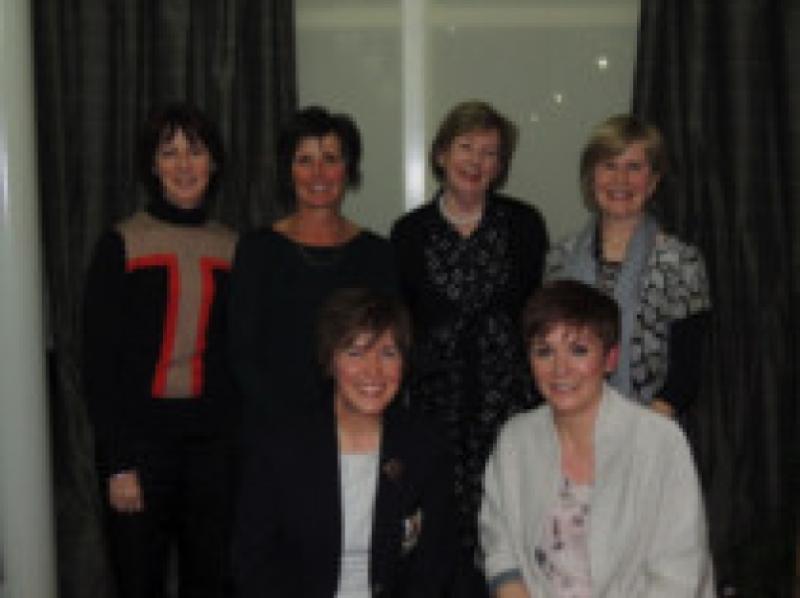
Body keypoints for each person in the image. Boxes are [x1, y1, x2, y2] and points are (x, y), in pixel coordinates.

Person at [390, 100, 548, 590]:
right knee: (440, 544)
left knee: (514, 537)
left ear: (501, 167)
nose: (476, 161)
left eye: (491, 153)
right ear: (441, 154)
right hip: (436, 415)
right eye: (465, 147)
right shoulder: (408, 233)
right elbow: (401, 332)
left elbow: (537, 318)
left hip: (512, 413)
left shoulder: (524, 225)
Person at [83, 103, 238, 598]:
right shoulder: (122, 243)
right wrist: (118, 463)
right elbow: (98, 364)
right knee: (137, 584)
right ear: (152, 166)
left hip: (213, 452)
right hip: (141, 450)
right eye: (169, 153)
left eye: (195, 151)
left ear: (214, 163)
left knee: (210, 584)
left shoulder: (235, 247)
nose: (184, 165)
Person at [479, 279, 715, 597]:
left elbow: (679, 574)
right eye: (544, 351)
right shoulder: (515, 440)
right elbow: (499, 547)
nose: (560, 369)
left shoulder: (659, 442)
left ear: (610, 358)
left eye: (578, 350)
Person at [232, 287, 457, 597]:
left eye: (388, 353)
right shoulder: (280, 447)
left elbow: (435, 565)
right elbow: (253, 566)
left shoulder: (425, 446)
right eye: (355, 352)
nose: (373, 371)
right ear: (330, 360)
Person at [228, 106, 397, 444]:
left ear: (348, 170)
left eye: (331, 159)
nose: (318, 173)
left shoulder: (379, 254)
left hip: (358, 428)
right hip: (274, 433)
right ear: (288, 171)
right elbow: (240, 352)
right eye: (304, 160)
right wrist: (289, 425)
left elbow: (390, 349)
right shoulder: (257, 250)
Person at [545, 114, 711, 417]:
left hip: (650, 429)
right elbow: (546, 351)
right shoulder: (560, 258)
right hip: (569, 424)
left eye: (634, 167)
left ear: (653, 181)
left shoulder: (681, 262)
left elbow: (686, 372)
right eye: (609, 166)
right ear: (591, 176)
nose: (620, 180)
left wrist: (639, 434)